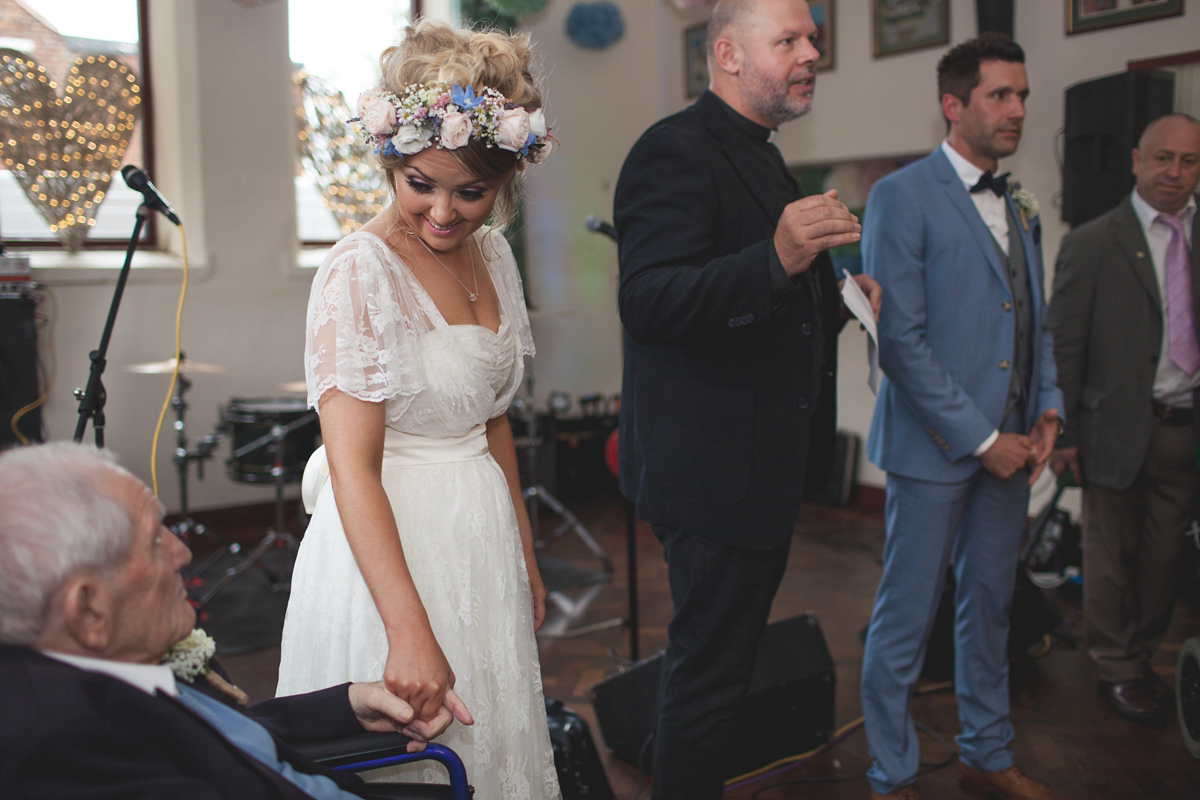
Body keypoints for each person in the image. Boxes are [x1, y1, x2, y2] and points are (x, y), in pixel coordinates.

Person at [275, 20, 560, 799]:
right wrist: (408, 630)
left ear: (504, 178)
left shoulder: (495, 254)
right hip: (392, 553)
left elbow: (491, 419)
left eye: (471, 192)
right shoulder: (358, 272)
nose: (442, 212)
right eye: (419, 184)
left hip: (481, 539)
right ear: (390, 162)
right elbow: (351, 469)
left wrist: (526, 555)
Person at [613, 2, 879, 797]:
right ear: (727, 54)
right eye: (789, 41)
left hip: (757, 467)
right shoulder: (672, 151)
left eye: (813, 40)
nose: (811, 55)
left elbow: (761, 309)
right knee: (710, 680)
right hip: (712, 472)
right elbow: (651, 303)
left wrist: (838, 304)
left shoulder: (764, 158)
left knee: (712, 672)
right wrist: (778, 256)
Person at [0, 442, 467, 800]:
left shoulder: (110, 657)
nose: (183, 552)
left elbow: (220, 734)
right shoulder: (63, 749)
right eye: (154, 542)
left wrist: (352, 705)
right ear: (88, 609)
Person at [860, 34, 1063, 800]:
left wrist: (1048, 410)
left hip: (1017, 446)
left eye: (1022, 96)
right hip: (936, 449)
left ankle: (987, 747)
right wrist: (983, 441)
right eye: (1000, 96)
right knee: (906, 621)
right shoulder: (899, 196)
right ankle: (894, 770)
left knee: (992, 607)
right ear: (954, 105)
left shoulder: (1019, 200)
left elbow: (1033, 320)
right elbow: (901, 341)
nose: (1016, 110)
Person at [1047, 113, 1200, 726]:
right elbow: (1065, 345)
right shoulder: (1093, 241)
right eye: (1163, 158)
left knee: (1164, 561)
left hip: (1184, 430)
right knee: (1110, 561)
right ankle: (1116, 667)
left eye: (1189, 161)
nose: (1175, 171)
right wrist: (1064, 435)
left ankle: (1139, 656)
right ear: (1136, 160)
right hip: (1112, 429)